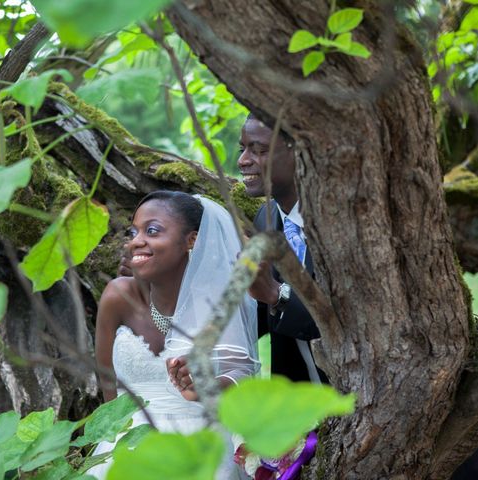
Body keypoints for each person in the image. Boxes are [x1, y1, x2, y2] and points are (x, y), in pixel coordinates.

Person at [90, 190, 259, 479]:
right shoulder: (117, 295)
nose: (136, 241)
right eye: (134, 231)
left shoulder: (218, 301)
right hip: (127, 446)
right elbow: (108, 386)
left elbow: (241, 373)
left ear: (191, 240)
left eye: (152, 230)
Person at [238, 114, 327, 384]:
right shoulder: (265, 219)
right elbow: (263, 318)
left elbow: (345, 321)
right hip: (299, 396)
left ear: (302, 155)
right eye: (242, 149)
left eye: (260, 150)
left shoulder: (337, 224)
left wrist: (277, 294)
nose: (243, 161)